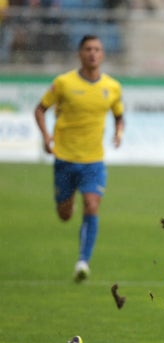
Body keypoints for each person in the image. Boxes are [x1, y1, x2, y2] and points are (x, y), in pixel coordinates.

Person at [34, 34, 125, 283]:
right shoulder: (63, 83)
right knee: (64, 215)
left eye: (97, 49)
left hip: (94, 161)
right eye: (88, 49)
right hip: (64, 157)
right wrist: (45, 136)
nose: (93, 53)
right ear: (79, 54)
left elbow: (119, 115)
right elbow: (40, 109)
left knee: (92, 205)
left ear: (103, 54)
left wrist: (119, 133)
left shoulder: (112, 87)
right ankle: (68, 202)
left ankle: (83, 262)